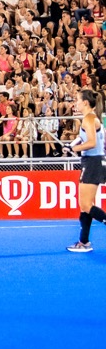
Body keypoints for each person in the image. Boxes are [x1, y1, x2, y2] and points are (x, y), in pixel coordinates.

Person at [67, 89, 106, 252]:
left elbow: (91, 143)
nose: (75, 103)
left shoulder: (89, 119)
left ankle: (84, 242)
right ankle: (84, 242)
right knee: (85, 206)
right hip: (92, 162)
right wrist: (72, 146)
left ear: (85, 102)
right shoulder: (90, 118)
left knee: (85, 205)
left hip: (92, 162)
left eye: (77, 100)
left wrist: (75, 148)